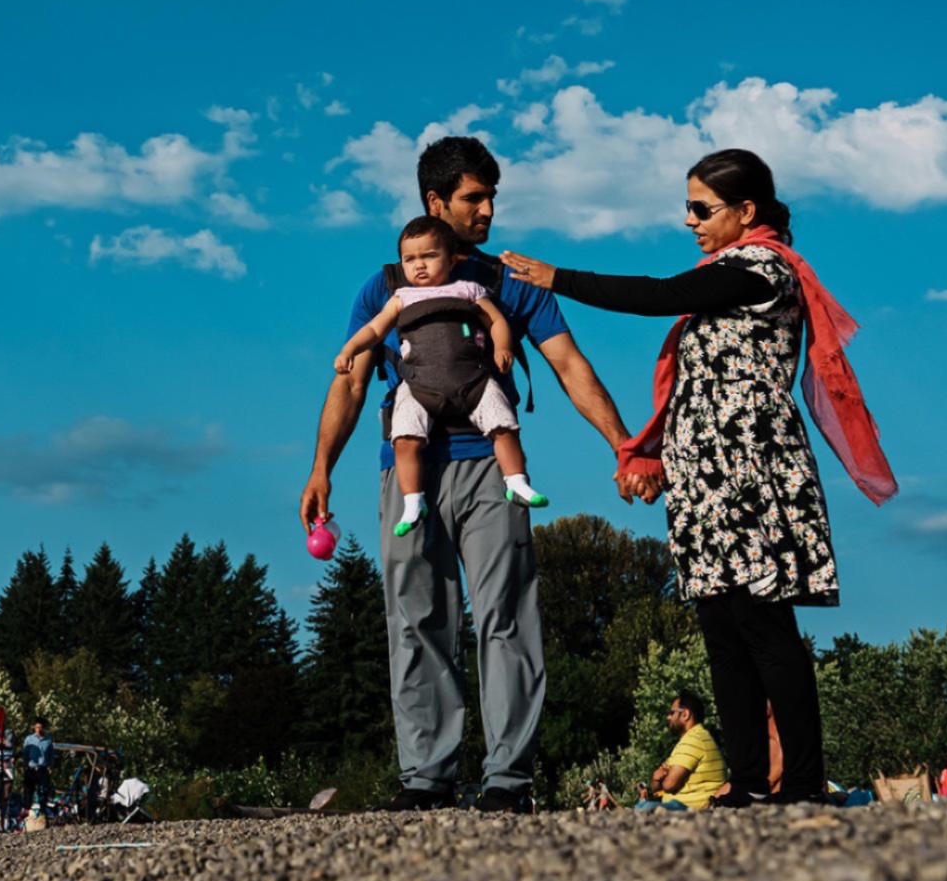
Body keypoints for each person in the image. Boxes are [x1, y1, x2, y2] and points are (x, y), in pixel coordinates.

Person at [501, 148, 896, 808]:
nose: (688, 220)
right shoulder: (723, 273)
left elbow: (659, 295)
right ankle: (744, 780)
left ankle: (799, 781)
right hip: (704, 477)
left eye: (701, 208)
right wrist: (655, 456)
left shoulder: (760, 268)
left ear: (746, 212)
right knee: (719, 623)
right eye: (685, 206)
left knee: (763, 622)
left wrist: (555, 276)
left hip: (749, 470)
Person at [299, 136, 639, 814]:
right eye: (473, 198)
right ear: (436, 202)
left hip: (489, 465)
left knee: (507, 613)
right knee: (415, 617)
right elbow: (352, 379)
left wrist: (623, 444)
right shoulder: (385, 285)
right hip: (409, 470)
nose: (487, 210)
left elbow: (570, 364)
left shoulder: (508, 280)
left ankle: (507, 777)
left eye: (491, 197)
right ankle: (427, 773)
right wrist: (320, 468)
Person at [336, 216, 549, 538]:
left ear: (451, 259)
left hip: (472, 379)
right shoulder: (401, 297)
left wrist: (503, 347)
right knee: (404, 439)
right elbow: (375, 329)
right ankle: (412, 501)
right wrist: (349, 349)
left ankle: (517, 481)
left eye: (429, 256)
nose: (419, 265)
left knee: (503, 426)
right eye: (410, 259)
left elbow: (496, 322)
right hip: (418, 385)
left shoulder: (468, 289)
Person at [634, 692, 727, 811]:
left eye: (672, 713)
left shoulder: (694, 740)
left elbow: (669, 785)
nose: (668, 717)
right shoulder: (690, 740)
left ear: (685, 714)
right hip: (679, 805)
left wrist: (664, 778)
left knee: (644, 808)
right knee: (642, 806)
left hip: (690, 807)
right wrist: (656, 778)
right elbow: (656, 788)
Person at [23, 718, 56, 814]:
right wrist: (25, 767)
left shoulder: (48, 741)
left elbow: (51, 755)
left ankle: (43, 811)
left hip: (42, 769)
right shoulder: (29, 739)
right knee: (28, 791)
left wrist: (51, 767)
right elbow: (25, 754)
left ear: (43, 728)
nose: (38, 729)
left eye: (40, 727)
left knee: (43, 791)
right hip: (31, 769)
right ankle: (26, 811)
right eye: (37, 727)